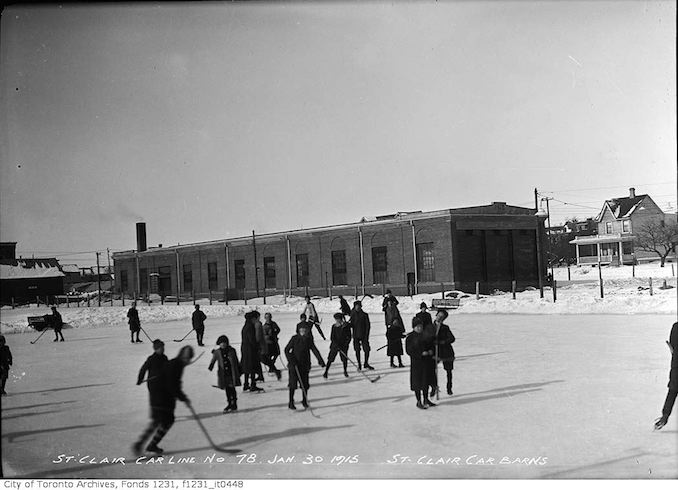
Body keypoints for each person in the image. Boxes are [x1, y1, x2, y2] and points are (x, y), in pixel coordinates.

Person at [132, 345, 193, 455]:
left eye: (188, 358)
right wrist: (183, 398)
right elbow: (172, 385)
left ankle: (143, 444)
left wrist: (182, 397)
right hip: (161, 395)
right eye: (186, 358)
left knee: (158, 421)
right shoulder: (176, 365)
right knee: (166, 420)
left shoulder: (176, 363)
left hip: (160, 394)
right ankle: (146, 444)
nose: (187, 361)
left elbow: (174, 383)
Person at [284, 323, 325, 410]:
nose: (303, 331)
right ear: (298, 330)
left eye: (305, 330)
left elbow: (314, 350)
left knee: (305, 385)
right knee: (292, 384)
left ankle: (304, 400)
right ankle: (291, 402)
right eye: (301, 329)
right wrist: (291, 359)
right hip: (294, 366)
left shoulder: (308, 339)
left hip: (304, 365)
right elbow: (287, 350)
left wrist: (320, 360)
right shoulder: (294, 338)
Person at [406, 317, 436, 409]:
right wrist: (420, 354)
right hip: (417, 364)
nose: (419, 328)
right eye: (417, 326)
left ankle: (426, 399)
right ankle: (418, 401)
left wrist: (431, 351)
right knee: (417, 383)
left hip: (426, 363)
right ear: (414, 327)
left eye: (421, 326)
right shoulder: (410, 337)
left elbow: (432, 345)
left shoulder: (425, 335)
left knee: (426, 382)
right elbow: (409, 350)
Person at [208, 335, 241, 413]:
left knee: (232, 388)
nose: (223, 344)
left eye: (224, 343)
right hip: (223, 374)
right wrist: (211, 365)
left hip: (231, 373)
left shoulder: (231, 350)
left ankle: (234, 403)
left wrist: (239, 369)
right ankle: (229, 403)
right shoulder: (217, 352)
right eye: (221, 343)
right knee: (227, 389)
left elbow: (236, 361)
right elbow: (214, 359)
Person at [655, 322, 678, 430]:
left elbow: (672, 347)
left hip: (676, 364)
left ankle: (665, 416)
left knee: (673, 390)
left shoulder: (676, 326)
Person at [433, 309, 456, 395]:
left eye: (442, 317)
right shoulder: (430, 327)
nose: (439, 317)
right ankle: (434, 387)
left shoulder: (445, 328)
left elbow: (452, 338)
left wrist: (443, 342)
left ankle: (449, 388)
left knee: (449, 371)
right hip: (435, 351)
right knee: (432, 370)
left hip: (446, 351)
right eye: (439, 315)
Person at [323, 313, 352, 378]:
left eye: (337, 319)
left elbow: (349, 337)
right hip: (334, 346)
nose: (336, 320)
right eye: (335, 319)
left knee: (344, 359)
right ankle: (326, 372)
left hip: (343, 346)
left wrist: (345, 344)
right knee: (330, 359)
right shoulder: (334, 326)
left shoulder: (345, 326)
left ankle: (345, 371)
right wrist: (336, 345)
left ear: (340, 319)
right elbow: (332, 337)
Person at [240, 311, 263, 392]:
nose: (258, 320)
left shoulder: (246, 325)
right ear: (253, 318)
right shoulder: (250, 327)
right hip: (250, 350)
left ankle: (246, 384)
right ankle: (252, 385)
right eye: (257, 318)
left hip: (245, 349)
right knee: (252, 366)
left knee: (247, 367)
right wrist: (257, 347)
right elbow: (252, 339)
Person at [350, 301, 373, 370]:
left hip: (364, 335)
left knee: (367, 350)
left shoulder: (365, 315)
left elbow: (368, 326)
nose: (357, 307)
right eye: (356, 306)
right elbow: (352, 324)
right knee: (357, 350)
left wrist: (366, 335)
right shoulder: (353, 315)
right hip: (356, 335)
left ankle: (366, 363)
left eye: (359, 306)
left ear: (361, 306)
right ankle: (359, 364)